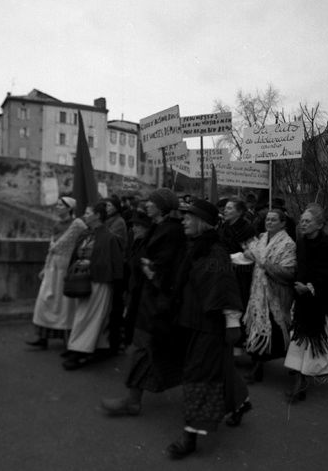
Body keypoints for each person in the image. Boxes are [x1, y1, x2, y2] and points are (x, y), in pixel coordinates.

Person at [166, 199, 250, 460]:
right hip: (192, 322)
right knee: (217, 368)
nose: (183, 220)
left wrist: (232, 322)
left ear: (201, 221)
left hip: (209, 326)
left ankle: (190, 437)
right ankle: (239, 403)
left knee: (197, 376)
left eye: (188, 217)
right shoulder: (195, 247)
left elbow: (224, 289)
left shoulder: (215, 252)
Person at [101, 188, 186, 415]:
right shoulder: (160, 227)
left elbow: (166, 266)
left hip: (157, 301)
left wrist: (151, 269)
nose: (147, 205)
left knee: (144, 348)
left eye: (152, 202)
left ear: (162, 207)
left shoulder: (171, 231)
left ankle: (132, 400)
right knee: (147, 348)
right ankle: (134, 399)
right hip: (148, 299)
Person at [284, 204, 328, 402]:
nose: (302, 224)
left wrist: (311, 286)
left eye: (307, 221)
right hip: (305, 301)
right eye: (302, 220)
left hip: (327, 301)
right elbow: (301, 267)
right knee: (301, 340)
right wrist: (297, 284)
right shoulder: (301, 242)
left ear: (319, 225)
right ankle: (301, 382)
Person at [62, 202, 124, 370]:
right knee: (84, 315)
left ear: (98, 215)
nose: (85, 215)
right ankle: (95, 347)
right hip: (83, 281)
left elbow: (113, 264)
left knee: (89, 317)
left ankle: (78, 350)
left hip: (99, 283)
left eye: (88, 212)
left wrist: (90, 264)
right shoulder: (85, 234)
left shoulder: (109, 237)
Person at [243, 208, 297, 383]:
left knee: (277, 329)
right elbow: (252, 254)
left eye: (274, 220)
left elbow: (288, 272)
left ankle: (293, 364)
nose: (269, 222)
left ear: (283, 223)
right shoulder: (261, 238)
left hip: (275, 294)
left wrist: (264, 263)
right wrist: (249, 255)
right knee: (258, 328)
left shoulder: (288, 244)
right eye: (267, 219)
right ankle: (257, 366)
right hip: (258, 292)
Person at [27, 197, 87, 349]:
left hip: (66, 267)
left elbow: (85, 240)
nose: (57, 207)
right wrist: (45, 267)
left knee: (65, 304)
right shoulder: (56, 225)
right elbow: (51, 250)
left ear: (69, 208)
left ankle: (68, 338)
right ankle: (43, 337)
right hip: (53, 267)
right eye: (58, 204)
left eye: (61, 205)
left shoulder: (77, 224)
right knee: (45, 300)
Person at [218, 198, 256, 309]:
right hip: (223, 270)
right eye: (225, 208)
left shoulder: (247, 229)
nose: (225, 211)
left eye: (229, 208)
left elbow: (251, 253)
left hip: (241, 273)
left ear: (239, 212)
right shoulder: (224, 226)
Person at [122, 209, 152, 346]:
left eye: (137, 226)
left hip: (140, 292)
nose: (133, 228)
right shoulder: (136, 243)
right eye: (133, 225)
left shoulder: (147, 245)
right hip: (132, 290)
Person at [104, 195, 129, 354]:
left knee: (116, 305)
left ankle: (117, 339)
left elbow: (112, 240)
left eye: (109, 205)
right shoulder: (110, 221)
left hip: (117, 268)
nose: (107, 208)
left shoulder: (119, 222)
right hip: (112, 267)